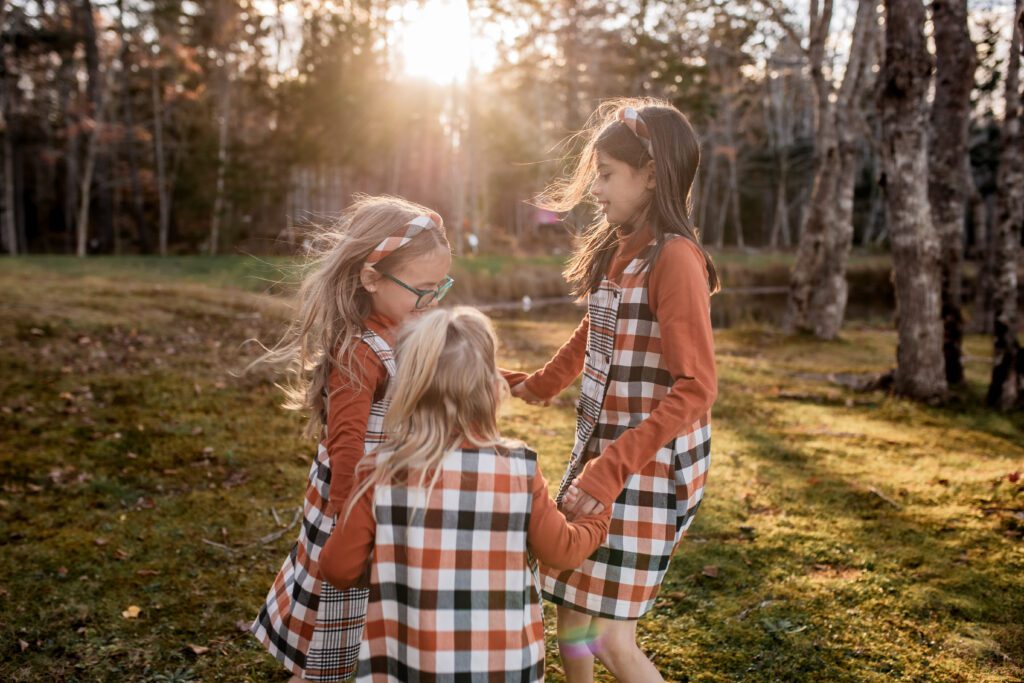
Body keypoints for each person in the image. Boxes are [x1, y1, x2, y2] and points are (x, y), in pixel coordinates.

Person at [510, 98, 719, 682]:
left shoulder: (674, 260)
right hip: (605, 448)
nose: (595, 190)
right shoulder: (621, 249)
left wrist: (611, 468)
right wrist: (541, 383)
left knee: (606, 635)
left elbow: (697, 389)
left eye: (606, 175)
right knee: (571, 610)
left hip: (649, 463)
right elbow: (596, 327)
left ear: (652, 174)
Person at [320, 307, 611, 682]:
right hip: (504, 667)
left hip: (408, 664)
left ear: (407, 391)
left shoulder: (379, 471)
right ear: (493, 391)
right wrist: (597, 519)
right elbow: (560, 551)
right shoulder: (518, 469)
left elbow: (337, 569)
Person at [250, 195, 454, 682]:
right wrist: (346, 522)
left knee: (373, 609)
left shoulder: (408, 327)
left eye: (441, 287)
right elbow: (347, 444)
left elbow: (456, 371)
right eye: (422, 289)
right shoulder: (360, 353)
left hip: (388, 496)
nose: (433, 301)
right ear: (371, 279)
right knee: (334, 614)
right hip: (353, 498)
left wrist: (511, 379)